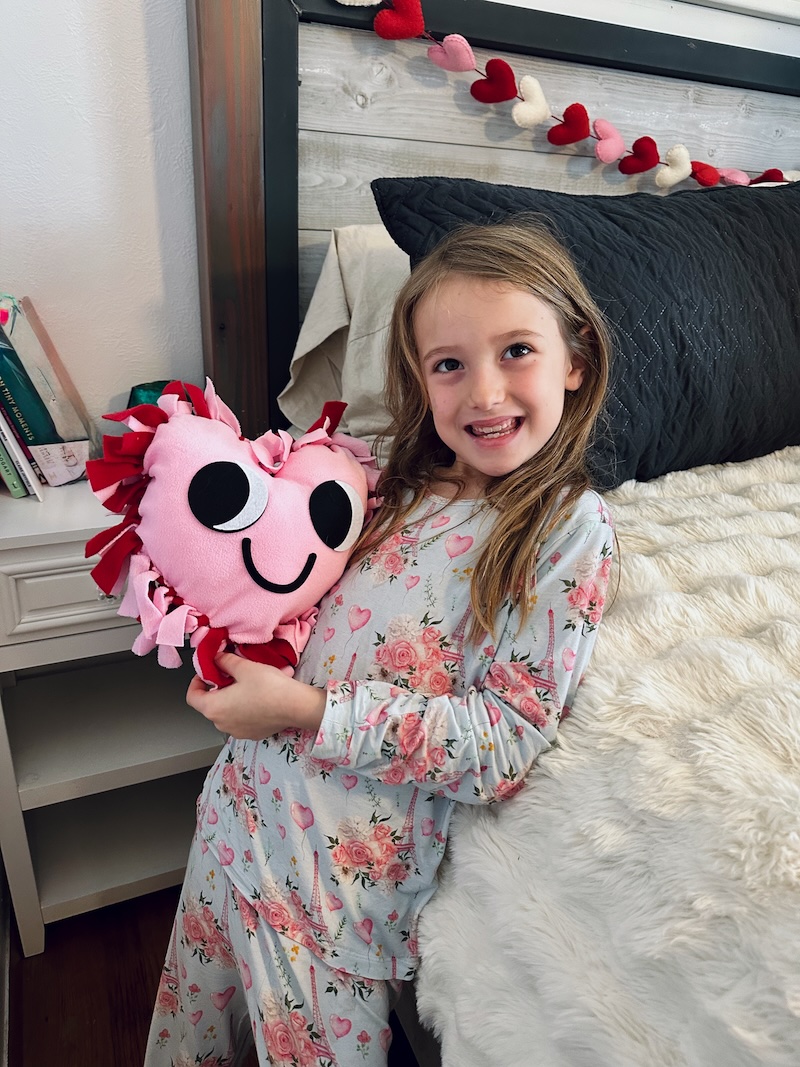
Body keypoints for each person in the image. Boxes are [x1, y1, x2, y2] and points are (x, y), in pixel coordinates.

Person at [144, 219, 614, 1067]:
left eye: (517, 351)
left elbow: (500, 743)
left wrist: (305, 711)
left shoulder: (566, 529)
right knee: (189, 1044)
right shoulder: (381, 480)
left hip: (335, 899)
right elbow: (283, 584)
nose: (483, 391)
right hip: (234, 820)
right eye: (450, 363)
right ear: (418, 377)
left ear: (575, 359)